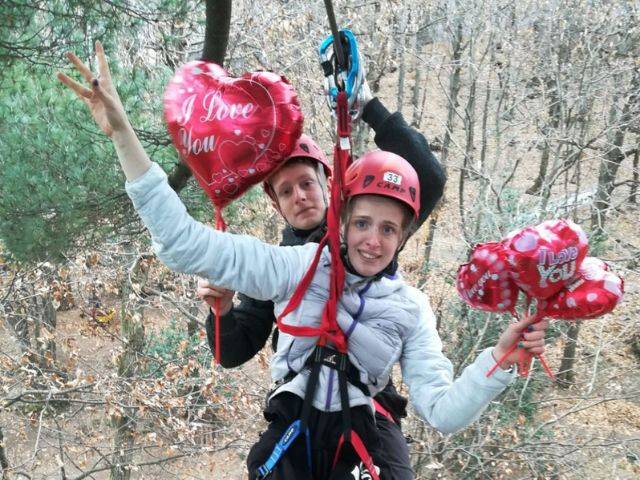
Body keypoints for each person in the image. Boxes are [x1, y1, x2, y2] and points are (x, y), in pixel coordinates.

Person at [58, 43, 549, 479]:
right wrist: (123, 134)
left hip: (367, 432)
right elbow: (182, 242)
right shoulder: (291, 266)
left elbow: (442, 411)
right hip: (295, 425)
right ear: (342, 217)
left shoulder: (410, 307)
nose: (373, 242)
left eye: (388, 229)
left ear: (403, 238)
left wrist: (501, 358)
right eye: (362, 224)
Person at [196, 79, 444, 479]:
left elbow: (428, 177)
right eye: (287, 191)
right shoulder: (279, 269)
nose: (300, 196)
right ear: (276, 204)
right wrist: (220, 311)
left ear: (328, 183)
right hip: (301, 404)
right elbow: (234, 352)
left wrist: (367, 105)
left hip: (367, 402)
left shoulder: (364, 231)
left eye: (307, 183)